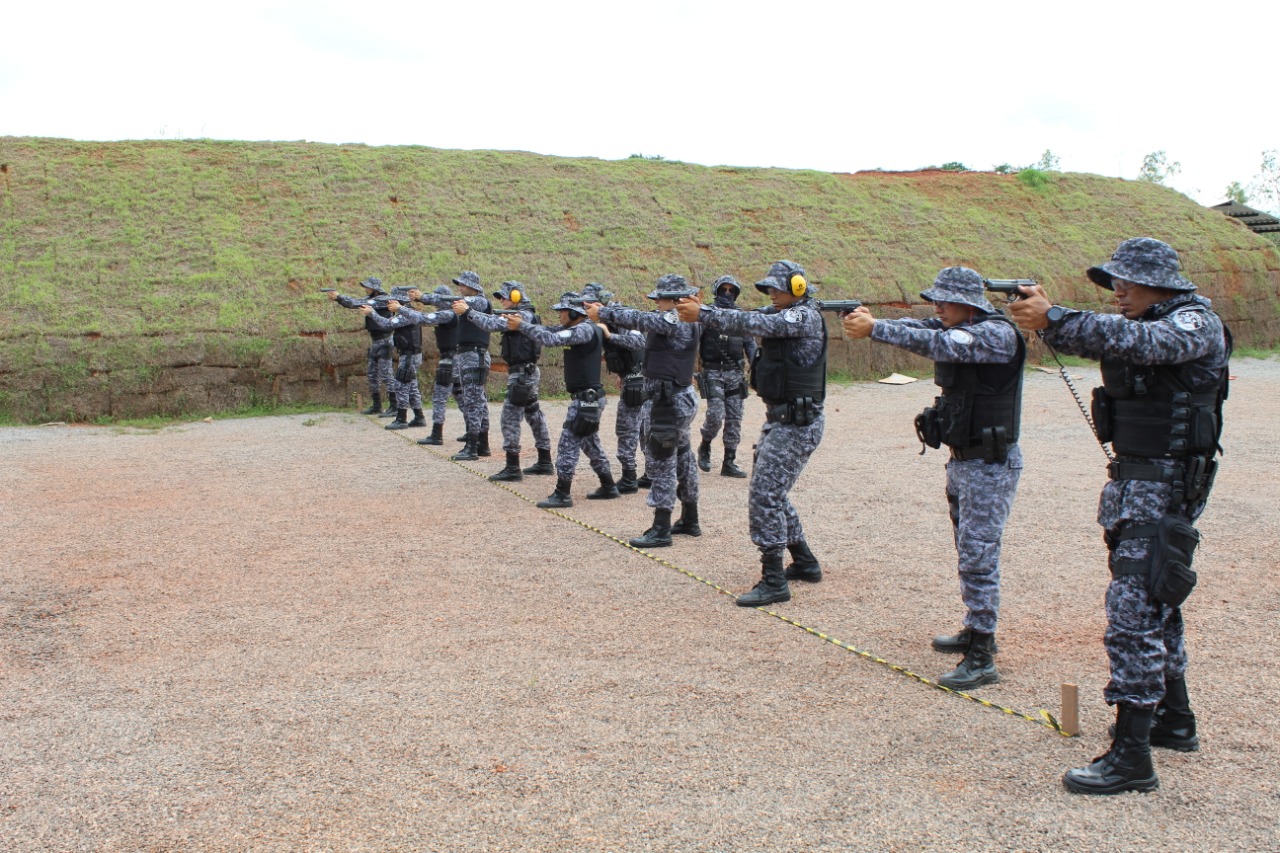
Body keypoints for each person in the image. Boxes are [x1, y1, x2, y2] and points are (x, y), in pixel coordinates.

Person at [1009, 237, 1230, 796]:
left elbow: (1143, 341)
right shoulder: (1148, 322)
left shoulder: (1193, 323)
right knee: (1156, 601)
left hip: (1163, 488)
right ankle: (1173, 719)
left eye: (1126, 283)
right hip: (1139, 485)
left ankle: (1132, 757)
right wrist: (1046, 315)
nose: (1118, 292)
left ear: (1160, 284)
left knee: (1132, 614)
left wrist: (1055, 316)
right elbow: (1106, 336)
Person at [843, 267, 1025, 690]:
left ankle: (982, 654)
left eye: (945, 300)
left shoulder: (995, 333)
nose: (937, 307)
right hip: (965, 461)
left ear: (969, 304)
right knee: (969, 552)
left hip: (989, 464)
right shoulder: (957, 326)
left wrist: (875, 329)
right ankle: (975, 628)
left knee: (979, 556)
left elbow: (937, 342)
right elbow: (921, 328)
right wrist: (873, 321)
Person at [675, 261, 824, 604]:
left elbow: (752, 323)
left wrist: (703, 313)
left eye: (776, 287)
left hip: (797, 423)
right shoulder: (782, 312)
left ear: (798, 287)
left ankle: (774, 580)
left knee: (765, 495)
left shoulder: (803, 317)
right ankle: (804, 561)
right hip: (783, 420)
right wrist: (704, 310)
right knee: (773, 492)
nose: (770, 292)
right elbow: (748, 316)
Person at [591, 275, 702, 548]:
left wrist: (603, 312)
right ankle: (690, 518)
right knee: (683, 457)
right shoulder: (686, 320)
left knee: (662, 462)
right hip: (675, 397)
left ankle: (661, 528)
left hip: (668, 401)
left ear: (675, 301)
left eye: (661, 299)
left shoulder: (675, 319)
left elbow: (640, 319)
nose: (657, 303)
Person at [508, 292, 619, 507]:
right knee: (589, 443)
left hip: (586, 399)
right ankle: (608, 485)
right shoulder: (580, 328)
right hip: (588, 398)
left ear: (575, 313)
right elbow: (549, 331)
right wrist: (522, 324)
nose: (559, 315)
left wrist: (522, 325)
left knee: (568, 443)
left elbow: (550, 339)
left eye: (563, 311)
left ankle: (562, 493)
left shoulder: (584, 329)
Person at [453, 281, 552, 481]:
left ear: (516, 296)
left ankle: (513, 467)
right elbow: (493, 320)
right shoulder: (524, 314)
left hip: (522, 374)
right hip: (525, 372)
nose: (501, 300)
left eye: (505, 297)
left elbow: (492, 324)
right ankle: (544, 460)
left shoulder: (522, 316)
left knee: (510, 418)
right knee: (534, 414)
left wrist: (468, 312)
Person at [581, 283, 647, 494]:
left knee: (628, 428)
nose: (586, 309)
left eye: (588, 305)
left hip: (638, 380)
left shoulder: (621, 316)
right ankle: (650, 474)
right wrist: (622, 373)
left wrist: (610, 336)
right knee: (642, 428)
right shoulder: (608, 319)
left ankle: (629, 478)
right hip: (632, 376)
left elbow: (639, 342)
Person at [695, 275, 757, 478]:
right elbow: (694, 341)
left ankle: (729, 461)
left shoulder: (741, 317)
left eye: (731, 290)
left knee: (735, 418)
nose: (727, 293)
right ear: (717, 291)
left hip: (735, 374)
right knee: (715, 414)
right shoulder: (707, 315)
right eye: (724, 289)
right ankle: (705, 444)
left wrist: (756, 367)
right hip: (713, 371)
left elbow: (750, 344)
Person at [357, 288, 426, 431]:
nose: (389, 303)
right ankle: (419, 417)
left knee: (401, 386)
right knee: (412, 387)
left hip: (409, 356)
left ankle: (401, 418)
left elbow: (388, 324)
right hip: (409, 354)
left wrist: (372, 313)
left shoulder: (406, 314)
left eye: (392, 300)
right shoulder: (407, 312)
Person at [327, 276, 396, 417]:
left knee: (386, 374)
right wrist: (339, 298)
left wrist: (339, 297)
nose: (366, 288)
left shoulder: (382, 300)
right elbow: (355, 303)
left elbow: (355, 303)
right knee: (372, 374)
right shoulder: (372, 299)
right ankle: (377, 405)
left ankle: (395, 406)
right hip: (376, 341)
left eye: (368, 286)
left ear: (375, 288)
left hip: (385, 341)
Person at [409, 284, 466, 447]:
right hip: (456, 359)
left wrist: (401, 309)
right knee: (460, 396)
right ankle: (473, 429)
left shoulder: (447, 314)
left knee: (439, 396)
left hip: (449, 360)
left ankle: (437, 434)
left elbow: (423, 319)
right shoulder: (454, 314)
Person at [449, 271, 494, 461]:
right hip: (469, 355)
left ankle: (472, 447)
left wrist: (422, 298)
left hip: (475, 355)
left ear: (473, 287)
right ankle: (482, 444)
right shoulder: (468, 303)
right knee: (477, 399)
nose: (459, 287)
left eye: (463, 284)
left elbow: (460, 303)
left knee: (473, 401)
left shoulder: (480, 301)